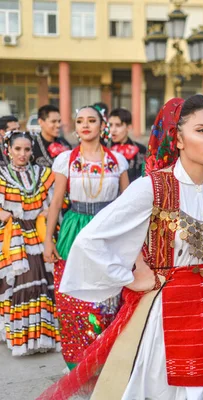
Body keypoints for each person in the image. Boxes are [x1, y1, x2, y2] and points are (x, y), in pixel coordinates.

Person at [38, 95, 203, 400]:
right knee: (166, 387)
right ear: (178, 139)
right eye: (202, 130)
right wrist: (130, 277)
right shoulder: (153, 186)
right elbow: (91, 239)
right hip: (171, 306)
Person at [42, 105, 129, 369]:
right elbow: (56, 203)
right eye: (80, 121)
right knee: (72, 296)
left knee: (108, 296)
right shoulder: (66, 159)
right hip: (74, 227)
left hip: (107, 229)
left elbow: (127, 204)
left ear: (103, 125)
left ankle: (105, 358)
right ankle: (79, 363)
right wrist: (48, 240)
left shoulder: (117, 160)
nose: (85, 125)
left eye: (92, 120)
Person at [0, 131, 60, 356]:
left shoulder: (43, 173)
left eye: (26, 149)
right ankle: (22, 339)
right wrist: (3, 214)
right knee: (17, 282)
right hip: (14, 234)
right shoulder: (2, 174)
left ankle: (40, 337)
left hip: (39, 230)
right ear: (9, 150)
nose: (22, 154)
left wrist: (50, 209)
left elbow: (60, 196)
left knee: (42, 279)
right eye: (17, 149)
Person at [109, 108, 147, 182]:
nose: (113, 130)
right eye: (110, 125)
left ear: (129, 127)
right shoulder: (104, 150)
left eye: (118, 125)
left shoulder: (141, 150)